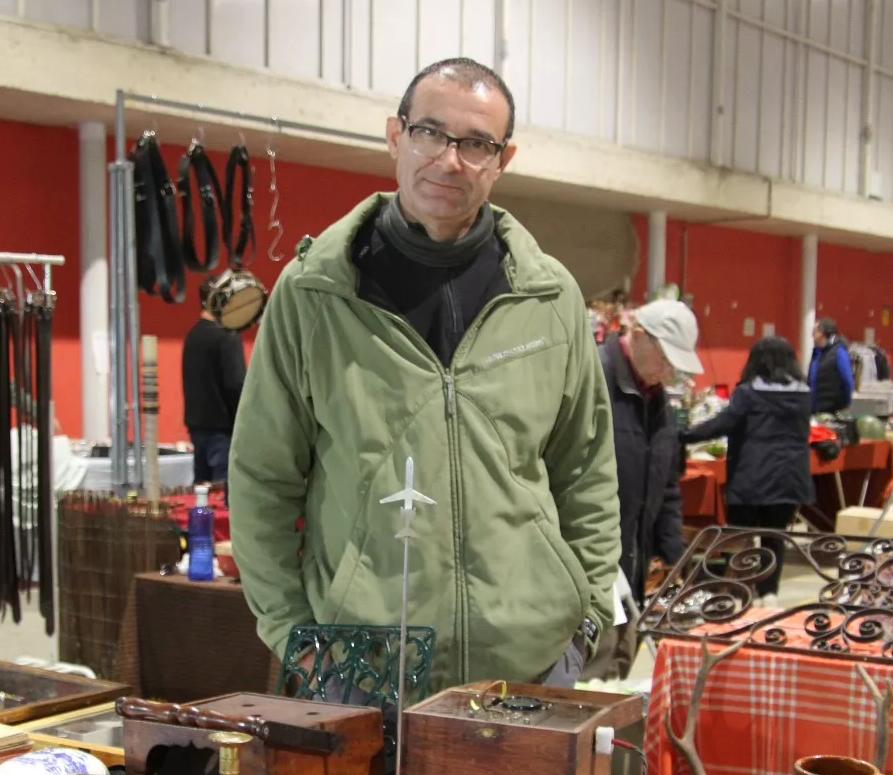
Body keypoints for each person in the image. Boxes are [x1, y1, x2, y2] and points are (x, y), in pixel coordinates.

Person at [228, 57, 619, 691]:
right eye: (430, 133)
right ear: (395, 135)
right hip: (362, 664)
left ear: (502, 158)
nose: (449, 160)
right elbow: (261, 475)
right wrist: (292, 633)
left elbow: (587, 465)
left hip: (532, 661)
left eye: (475, 143)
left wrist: (589, 613)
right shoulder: (317, 292)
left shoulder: (549, 297)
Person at [680, 336, 812, 597]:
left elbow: (723, 423)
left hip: (752, 476)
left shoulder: (749, 393)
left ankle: (737, 592)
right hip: (790, 476)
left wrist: (685, 435)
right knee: (774, 537)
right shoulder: (803, 394)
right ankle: (768, 594)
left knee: (738, 539)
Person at [600, 298, 702, 604]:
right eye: (665, 359)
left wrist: (674, 557)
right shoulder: (594, 377)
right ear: (640, 334)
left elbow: (666, 485)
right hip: (591, 568)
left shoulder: (657, 400)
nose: (668, 371)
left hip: (633, 568)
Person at [182, 270, 248, 488]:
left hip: (197, 430)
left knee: (202, 497)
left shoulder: (193, 335)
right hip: (224, 434)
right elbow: (236, 384)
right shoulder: (226, 336)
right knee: (225, 500)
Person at [808, 318, 855, 413]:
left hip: (833, 410)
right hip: (816, 409)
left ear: (822, 333)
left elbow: (847, 380)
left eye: (814, 332)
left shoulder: (839, 352)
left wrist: (847, 404)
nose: (812, 336)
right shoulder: (817, 352)